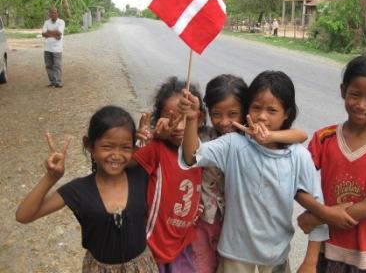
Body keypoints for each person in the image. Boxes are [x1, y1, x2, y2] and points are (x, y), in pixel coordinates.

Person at [179, 71, 356, 273]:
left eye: (272, 110)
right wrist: (192, 119)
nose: (262, 116)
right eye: (256, 108)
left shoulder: (298, 156)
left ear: (287, 113)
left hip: (275, 256)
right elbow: (192, 156)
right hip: (234, 255)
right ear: (247, 109)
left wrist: (310, 262)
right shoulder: (234, 145)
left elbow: (316, 209)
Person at [298, 56, 366, 273]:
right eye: (355, 95)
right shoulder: (323, 139)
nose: (361, 105)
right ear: (343, 91)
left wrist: (319, 216)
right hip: (327, 247)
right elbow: (299, 186)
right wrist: (323, 214)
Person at [15, 105, 158, 272]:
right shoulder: (78, 190)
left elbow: (178, 156)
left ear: (133, 148)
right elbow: (23, 215)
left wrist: (151, 138)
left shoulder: (140, 175)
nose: (116, 155)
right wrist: (51, 178)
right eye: (107, 146)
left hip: (142, 267)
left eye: (125, 147)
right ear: (89, 145)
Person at [192, 74, 309, 273]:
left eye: (233, 113)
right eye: (217, 114)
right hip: (210, 219)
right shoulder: (208, 138)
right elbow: (189, 153)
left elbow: (301, 135)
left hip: (245, 227)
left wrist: (269, 135)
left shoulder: (252, 138)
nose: (225, 121)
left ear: (244, 111)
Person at [132, 76, 205, 273]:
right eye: (170, 116)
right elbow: (126, 165)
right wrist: (149, 137)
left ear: (199, 119)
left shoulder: (202, 151)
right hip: (152, 247)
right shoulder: (156, 149)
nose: (178, 126)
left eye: (186, 117)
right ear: (158, 119)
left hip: (183, 245)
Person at [42, 7, 65, 88]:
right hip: (47, 48)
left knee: (57, 65)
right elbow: (43, 34)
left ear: (57, 14)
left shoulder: (61, 22)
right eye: (51, 13)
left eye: (55, 13)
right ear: (49, 14)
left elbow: (59, 33)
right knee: (48, 66)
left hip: (57, 48)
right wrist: (54, 34)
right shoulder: (46, 22)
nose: (53, 14)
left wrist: (49, 32)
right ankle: (52, 81)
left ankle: (58, 81)